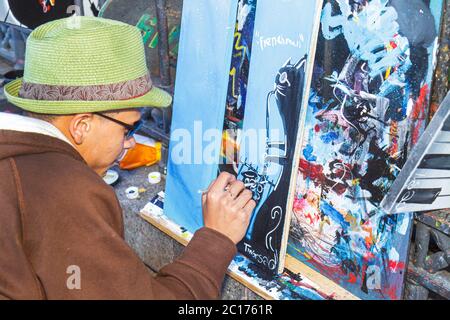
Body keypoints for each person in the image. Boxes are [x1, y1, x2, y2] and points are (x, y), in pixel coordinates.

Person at [0, 16, 255, 299]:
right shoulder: (64, 191)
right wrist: (216, 239)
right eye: (129, 128)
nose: (131, 142)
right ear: (82, 126)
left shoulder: (17, 164)